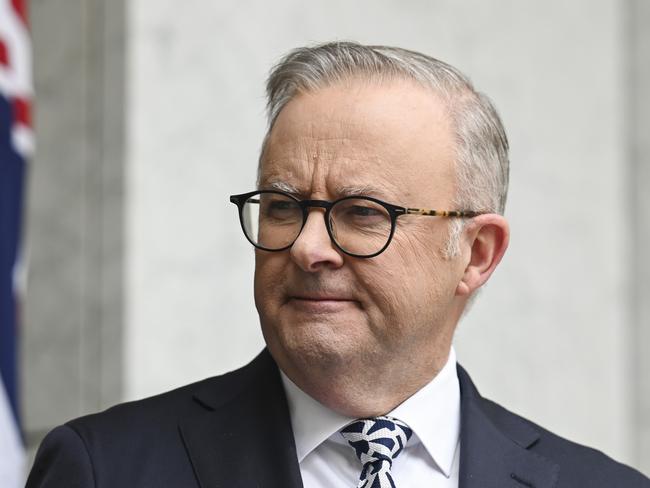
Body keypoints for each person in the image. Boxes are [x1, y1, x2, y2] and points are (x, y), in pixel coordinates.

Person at [27, 41, 649, 488]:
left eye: (362, 213)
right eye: (282, 205)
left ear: (475, 254)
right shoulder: (105, 469)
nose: (307, 247)